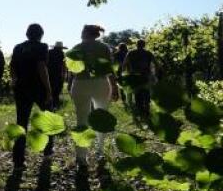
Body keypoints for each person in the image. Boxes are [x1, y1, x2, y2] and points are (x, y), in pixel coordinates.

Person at [69, 25, 119, 166]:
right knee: (101, 117)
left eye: (82, 30)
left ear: (86, 33)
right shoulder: (104, 48)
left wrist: (69, 84)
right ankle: (100, 151)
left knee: (81, 119)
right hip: (100, 83)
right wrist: (114, 87)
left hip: (80, 83)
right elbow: (109, 69)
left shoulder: (76, 47)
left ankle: (81, 157)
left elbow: (72, 70)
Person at [10, 24, 54, 168]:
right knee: (48, 120)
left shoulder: (18, 47)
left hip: (21, 88)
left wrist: (15, 80)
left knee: (21, 122)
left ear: (27, 34)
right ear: (41, 34)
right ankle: (47, 152)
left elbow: (12, 67)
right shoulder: (42, 47)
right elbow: (42, 67)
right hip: (38, 87)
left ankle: (18, 159)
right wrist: (48, 89)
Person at [123, 39, 156, 123]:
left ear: (136, 45)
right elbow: (155, 63)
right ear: (144, 45)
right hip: (146, 75)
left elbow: (124, 64)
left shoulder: (130, 53)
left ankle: (141, 112)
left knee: (138, 94)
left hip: (135, 76)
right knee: (146, 93)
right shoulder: (148, 53)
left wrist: (126, 73)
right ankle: (147, 111)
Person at [47, 41, 67, 110]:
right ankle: (55, 104)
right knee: (57, 90)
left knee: (50, 89)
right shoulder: (61, 53)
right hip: (57, 74)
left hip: (48, 74)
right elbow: (63, 65)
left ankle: (50, 104)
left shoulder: (49, 52)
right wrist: (64, 75)